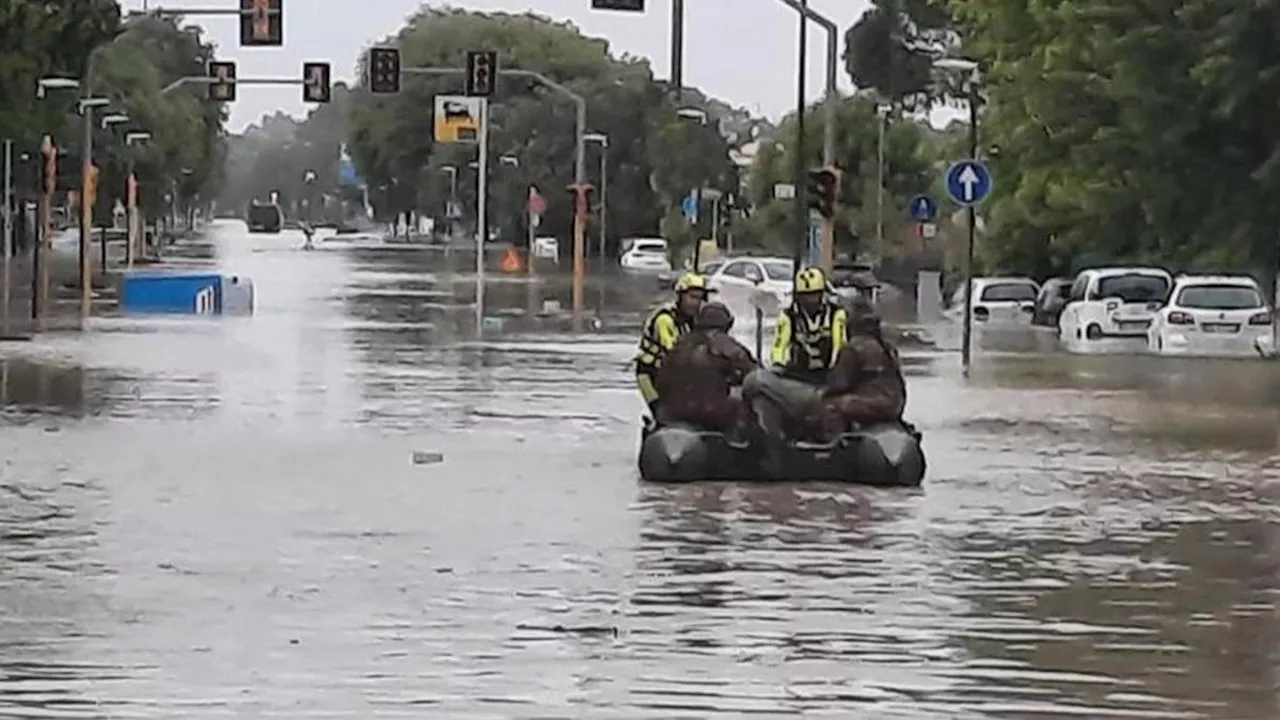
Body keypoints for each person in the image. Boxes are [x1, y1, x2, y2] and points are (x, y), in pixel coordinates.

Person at [656, 301, 758, 436]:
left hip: (670, 412)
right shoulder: (726, 345)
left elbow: (661, 380)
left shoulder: (680, 344)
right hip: (709, 412)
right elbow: (753, 374)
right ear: (728, 324)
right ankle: (741, 447)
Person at [817, 294, 907, 440]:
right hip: (896, 402)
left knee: (830, 407)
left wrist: (823, 391)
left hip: (874, 403)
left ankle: (834, 447)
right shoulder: (888, 346)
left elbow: (839, 384)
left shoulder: (853, 348)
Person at [635, 271, 712, 417]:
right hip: (650, 375)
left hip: (673, 376)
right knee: (661, 413)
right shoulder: (664, 319)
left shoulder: (694, 321)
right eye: (692, 297)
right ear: (681, 296)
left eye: (700, 299)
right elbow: (674, 352)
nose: (696, 303)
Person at [769, 267, 848, 383]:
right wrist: (778, 365)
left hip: (828, 375)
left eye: (814, 295)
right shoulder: (787, 317)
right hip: (797, 377)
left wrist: (835, 371)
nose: (810, 301)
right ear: (797, 296)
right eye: (805, 296)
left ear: (822, 294)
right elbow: (778, 346)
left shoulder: (836, 314)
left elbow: (840, 344)